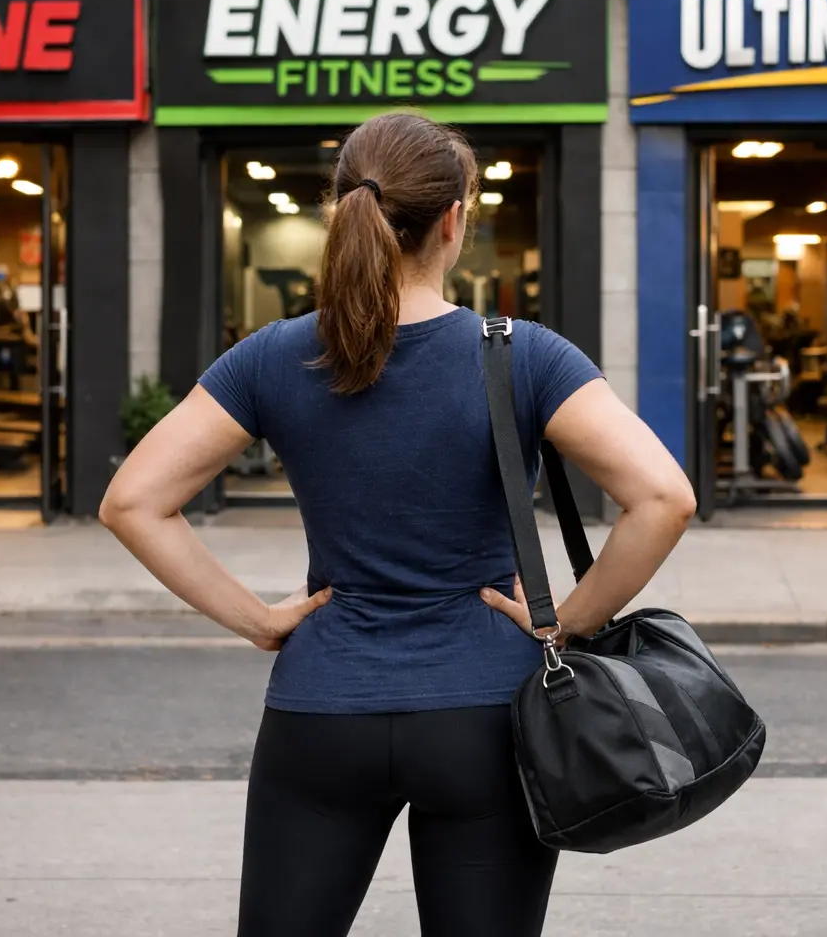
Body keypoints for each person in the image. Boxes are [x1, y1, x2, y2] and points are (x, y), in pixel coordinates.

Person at [101, 111, 696, 937]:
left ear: (340, 207)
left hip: (321, 709)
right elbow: (665, 498)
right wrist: (569, 622)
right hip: (486, 721)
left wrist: (260, 621)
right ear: (454, 222)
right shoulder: (525, 354)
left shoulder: (276, 355)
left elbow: (132, 501)